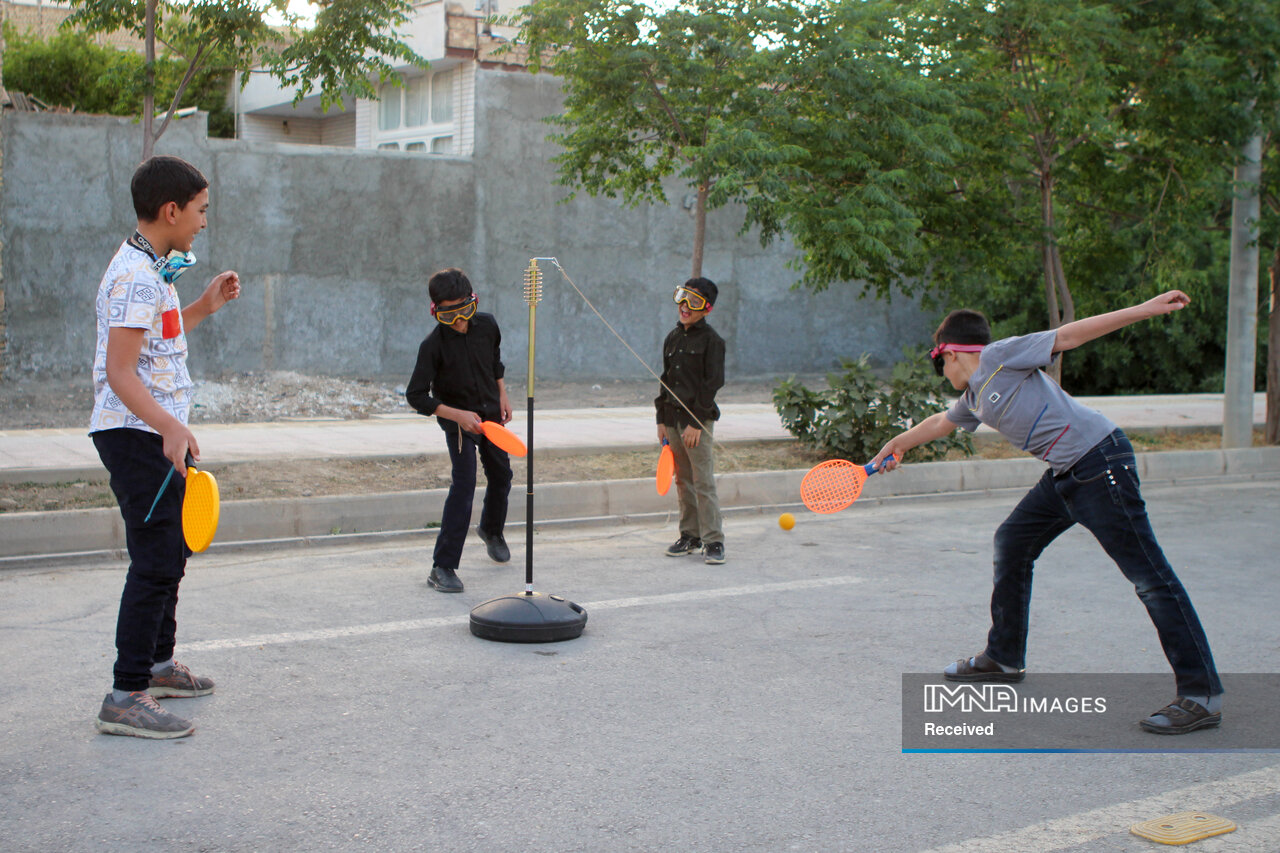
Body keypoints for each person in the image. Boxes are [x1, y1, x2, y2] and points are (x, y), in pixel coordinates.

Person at [870, 291, 1223, 734]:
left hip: (1100, 463)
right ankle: (1003, 657)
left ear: (951, 353)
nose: (941, 373)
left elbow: (1069, 336)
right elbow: (943, 421)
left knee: (1150, 578)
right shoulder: (975, 396)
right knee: (1013, 541)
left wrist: (1145, 309)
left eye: (938, 363)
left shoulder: (1000, 356)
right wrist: (898, 444)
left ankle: (1201, 694)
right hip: (1066, 473)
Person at [90, 155, 242, 739]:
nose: (205, 221)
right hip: (137, 434)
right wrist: (169, 428)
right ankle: (126, 694)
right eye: (201, 210)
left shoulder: (152, 271)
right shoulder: (135, 276)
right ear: (171, 210)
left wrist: (204, 305)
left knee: (171, 552)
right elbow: (120, 372)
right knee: (155, 558)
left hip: (156, 431)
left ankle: (157, 665)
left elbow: (159, 344)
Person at [405, 268, 514, 593]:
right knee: (464, 485)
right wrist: (457, 415)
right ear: (436, 311)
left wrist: (502, 394)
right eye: (448, 314)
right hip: (458, 423)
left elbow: (494, 360)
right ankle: (442, 566)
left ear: (473, 301)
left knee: (502, 475)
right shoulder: (432, 346)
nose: (458, 321)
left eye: (463, 311)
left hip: (491, 416)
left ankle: (491, 530)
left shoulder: (488, 325)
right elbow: (416, 396)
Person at [655, 277, 727, 565]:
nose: (685, 306)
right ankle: (690, 536)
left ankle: (714, 541)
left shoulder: (713, 341)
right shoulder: (672, 338)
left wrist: (696, 422)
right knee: (682, 480)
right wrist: (661, 419)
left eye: (694, 301)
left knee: (702, 481)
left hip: (696, 422)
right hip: (672, 420)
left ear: (707, 309)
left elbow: (712, 384)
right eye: (683, 297)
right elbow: (666, 381)